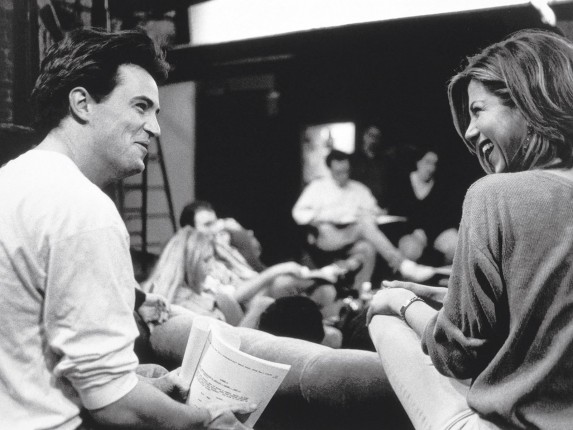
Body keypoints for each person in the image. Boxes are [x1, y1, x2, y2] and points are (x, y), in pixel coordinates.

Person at [0, 28, 252, 429]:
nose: (154, 128)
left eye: (156, 113)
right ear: (82, 103)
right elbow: (113, 406)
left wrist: (141, 383)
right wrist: (204, 419)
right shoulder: (83, 208)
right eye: (140, 107)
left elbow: (25, 356)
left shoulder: (12, 180)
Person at [367, 29, 573, 430]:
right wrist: (447, 297)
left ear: (527, 102)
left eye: (478, 111)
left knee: (383, 312)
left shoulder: (494, 195)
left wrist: (402, 303)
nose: (468, 132)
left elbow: (456, 355)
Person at [293, 149, 439, 286]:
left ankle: (360, 292)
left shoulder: (358, 188)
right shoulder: (317, 187)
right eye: (338, 172)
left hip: (352, 235)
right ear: (330, 170)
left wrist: (369, 213)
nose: (343, 176)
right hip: (328, 235)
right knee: (364, 224)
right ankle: (403, 265)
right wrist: (324, 217)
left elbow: (374, 210)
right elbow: (298, 212)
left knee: (368, 247)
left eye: (346, 171)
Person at [389, 146, 460, 265]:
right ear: (418, 162)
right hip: (409, 232)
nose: (431, 168)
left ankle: (443, 274)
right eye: (427, 162)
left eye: (434, 164)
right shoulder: (402, 182)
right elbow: (397, 215)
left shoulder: (440, 186)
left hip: (434, 233)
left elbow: (445, 217)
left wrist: (427, 233)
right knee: (411, 250)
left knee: (456, 246)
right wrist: (415, 231)